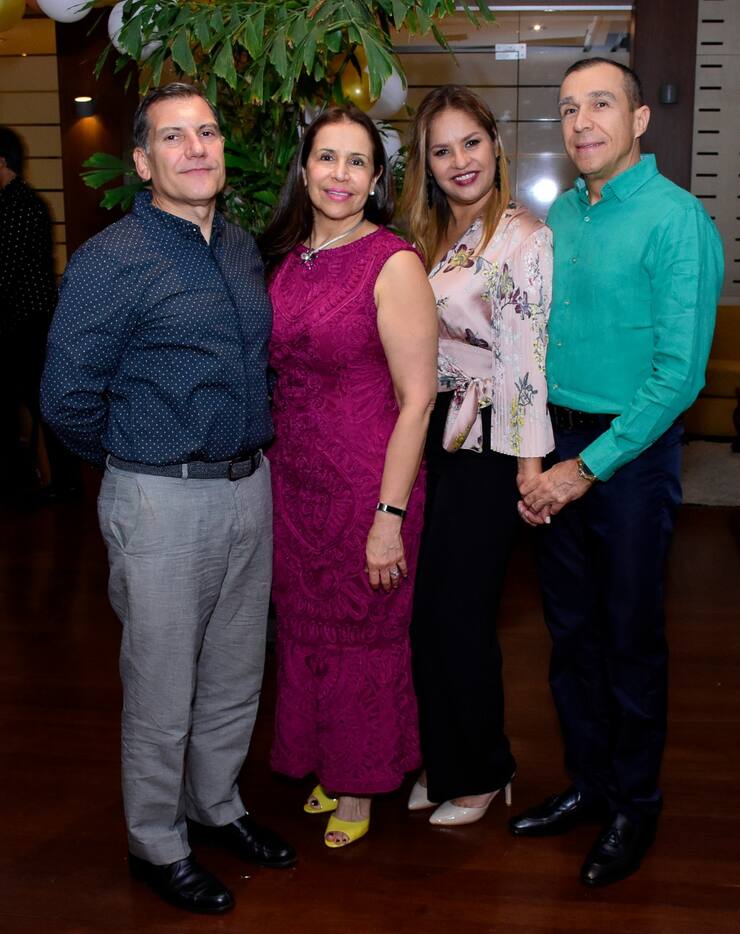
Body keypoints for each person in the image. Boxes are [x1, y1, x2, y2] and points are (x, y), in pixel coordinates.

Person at [40, 83, 295, 914]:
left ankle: (216, 805)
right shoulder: (111, 259)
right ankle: (155, 843)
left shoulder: (240, 248)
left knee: (234, 673)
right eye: (174, 137)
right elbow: (65, 398)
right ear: (144, 162)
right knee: (160, 687)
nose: (197, 148)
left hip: (249, 486)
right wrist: (133, 460)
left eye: (208, 132)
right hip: (161, 500)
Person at [512, 58, 724, 886]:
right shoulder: (562, 214)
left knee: (629, 636)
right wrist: (537, 455)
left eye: (600, 104)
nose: (581, 122)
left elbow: (679, 376)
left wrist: (584, 469)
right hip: (556, 439)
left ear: (639, 119)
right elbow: (532, 341)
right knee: (571, 635)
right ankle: (589, 784)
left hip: (629, 452)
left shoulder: (677, 219)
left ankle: (636, 804)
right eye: (569, 109)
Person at [259, 106, 438, 848]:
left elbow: (418, 399)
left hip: (368, 482)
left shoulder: (392, 261)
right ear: (303, 170)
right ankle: (329, 766)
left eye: (357, 161)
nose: (339, 174)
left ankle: (360, 784)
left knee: (365, 632)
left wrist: (388, 517)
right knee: (307, 630)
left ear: (376, 179)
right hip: (293, 485)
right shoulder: (287, 256)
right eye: (326, 157)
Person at [400, 86, 554, 826]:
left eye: (471, 142)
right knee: (428, 614)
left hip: (491, 440)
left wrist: (528, 472)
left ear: (495, 144)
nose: (460, 160)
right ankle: (446, 757)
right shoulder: (426, 235)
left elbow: (527, 361)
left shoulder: (524, 236)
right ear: (426, 165)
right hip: (433, 433)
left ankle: (488, 768)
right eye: (442, 150)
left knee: (460, 613)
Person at [0, 126, 80, 505]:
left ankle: (62, 482)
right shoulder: (21, 203)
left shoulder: (19, 206)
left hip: (27, 322)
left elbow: (7, 271)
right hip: (23, 321)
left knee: (40, 404)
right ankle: (40, 480)